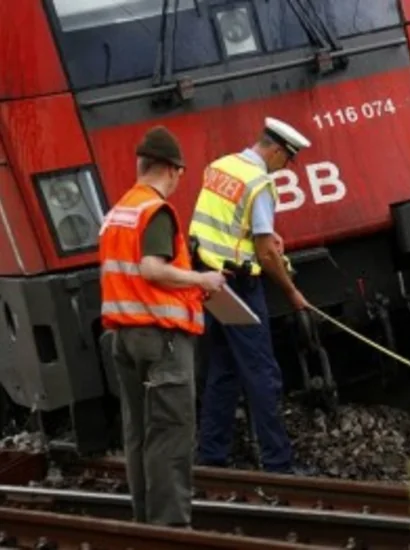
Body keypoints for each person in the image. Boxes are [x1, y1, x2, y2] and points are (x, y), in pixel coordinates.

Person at [98, 126, 226, 527]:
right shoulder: (155, 211)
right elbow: (151, 269)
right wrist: (202, 280)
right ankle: (171, 529)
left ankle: (146, 523)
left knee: (138, 436)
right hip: (162, 339)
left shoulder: (118, 213)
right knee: (170, 434)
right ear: (171, 169)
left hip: (124, 338)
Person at [190, 117, 310, 474]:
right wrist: (292, 292)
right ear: (276, 151)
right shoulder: (260, 184)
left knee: (224, 369)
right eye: (287, 160)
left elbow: (225, 223)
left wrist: (264, 235)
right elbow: (267, 254)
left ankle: (211, 457)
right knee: (262, 374)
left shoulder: (221, 166)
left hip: (210, 280)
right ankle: (279, 466)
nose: (285, 168)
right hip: (240, 286)